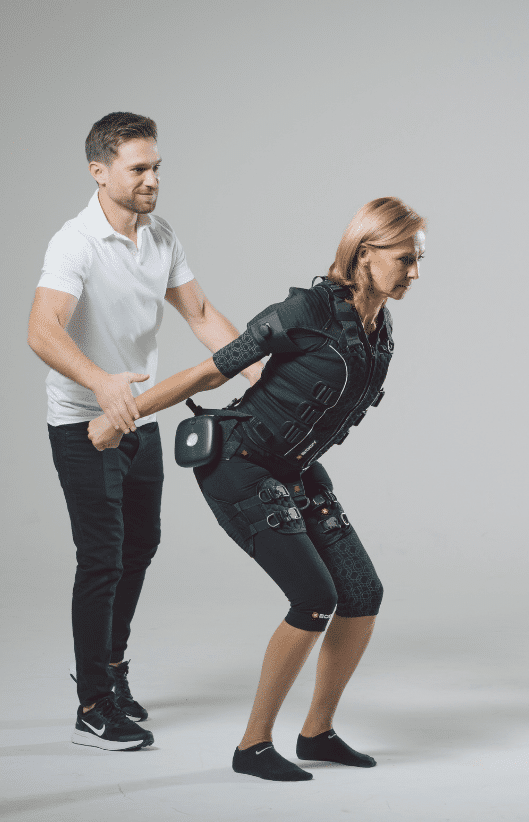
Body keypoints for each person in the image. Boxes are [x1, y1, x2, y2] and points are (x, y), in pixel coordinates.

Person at [87, 197, 426, 780]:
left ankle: (317, 733)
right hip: (240, 462)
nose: (414, 272)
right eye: (405, 258)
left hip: (293, 465)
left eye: (419, 259)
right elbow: (212, 369)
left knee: (362, 592)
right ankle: (252, 747)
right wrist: (123, 414)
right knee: (314, 598)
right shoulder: (307, 309)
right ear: (365, 252)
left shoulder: (379, 326)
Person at [27, 113, 264, 752]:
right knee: (101, 555)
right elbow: (42, 330)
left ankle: (112, 669)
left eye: (156, 167)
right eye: (139, 169)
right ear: (99, 173)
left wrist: (261, 370)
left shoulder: (160, 236)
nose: (153, 179)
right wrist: (103, 383)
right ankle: (93, 704)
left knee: (141, 545)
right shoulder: (73, 243)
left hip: (144, 418)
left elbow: (204, 315)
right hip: (84, 421)